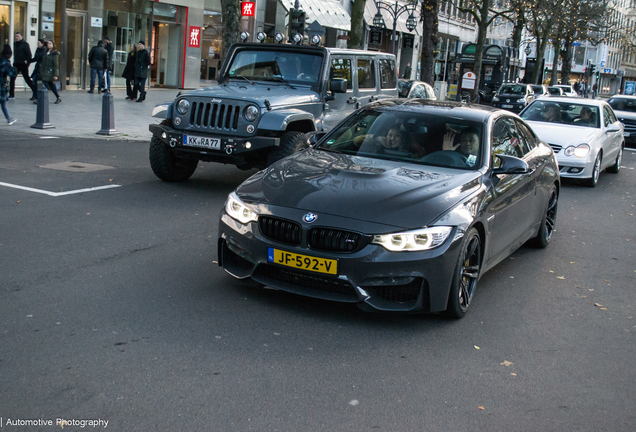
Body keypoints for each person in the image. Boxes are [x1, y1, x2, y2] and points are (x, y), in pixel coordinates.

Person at [9, 32, 35, 99]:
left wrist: (27, 62)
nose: (16, 37)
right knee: (12, 78)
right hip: (16, 63)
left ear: (21, 36)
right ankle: (11, 94)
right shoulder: (14, 44)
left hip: (23, 64)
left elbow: (29, 55)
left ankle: (35, 92)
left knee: (27, 79)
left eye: (18, 36)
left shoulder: (25, 44)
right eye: (16, 36)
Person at [39, 39, 61, 104]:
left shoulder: (54, 53)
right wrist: (41, 70)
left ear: (53, 45)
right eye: (48, 43)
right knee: (50, 85)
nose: (48, 45)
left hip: (50, 72)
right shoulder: (45, 52)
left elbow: (55, 65)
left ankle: (44, 99)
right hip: (45, 71)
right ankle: (58, 97)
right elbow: (43, 62)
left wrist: (56, 75)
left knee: (46, 85)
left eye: (50, 43)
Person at [0, 44, 18, 124]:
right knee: (3, 103)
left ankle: (9, 118)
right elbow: (11, 73)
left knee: (3, 103)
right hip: (1, 87)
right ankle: (9, 119)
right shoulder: (6, 63)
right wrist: (14, 69)